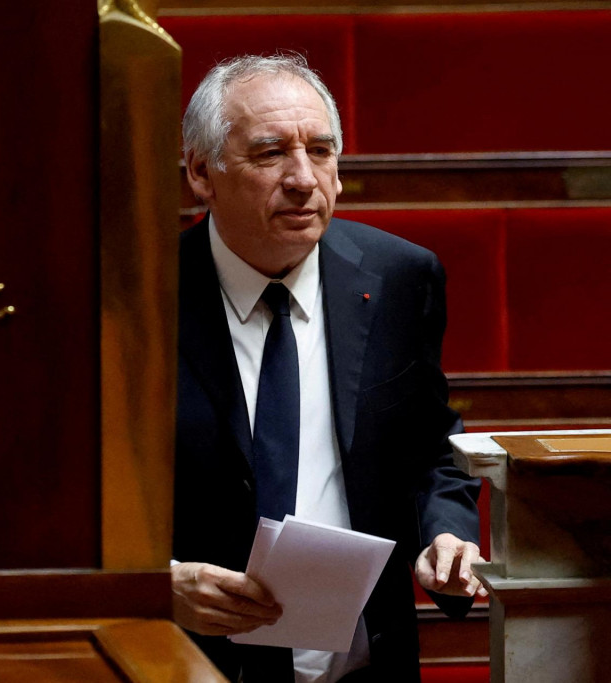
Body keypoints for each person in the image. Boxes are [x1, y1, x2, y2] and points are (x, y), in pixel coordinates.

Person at [172, 54, 485, 682]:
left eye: (320, 150)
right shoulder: (136, 296)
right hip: (190, 663)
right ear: (203, 173)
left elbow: (430, 449)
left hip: (365, 665)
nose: (303, 179)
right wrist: (157, 582)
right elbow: (69, 506)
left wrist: (446, 534)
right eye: (269, 154)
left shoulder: (399, 276)